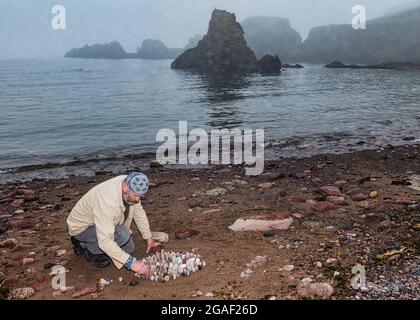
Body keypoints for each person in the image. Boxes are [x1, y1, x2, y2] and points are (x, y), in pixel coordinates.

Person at [66, 172, 168, 275]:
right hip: (82, 227)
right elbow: (105, 241)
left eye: (140, 196)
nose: (138, 199)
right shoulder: (107, 200)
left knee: (129, 248)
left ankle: (87, 243)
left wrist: (148, 238)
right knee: (122, 235)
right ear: (125, 187)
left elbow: (138, 212)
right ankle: (90, 250)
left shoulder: (130, 182)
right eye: (136, 196)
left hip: (99, 221)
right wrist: (131, 263)